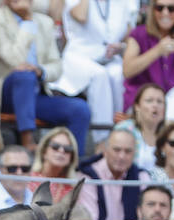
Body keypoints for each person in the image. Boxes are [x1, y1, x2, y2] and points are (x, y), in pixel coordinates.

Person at [0, 0, 91, 155]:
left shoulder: (45, 22)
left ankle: (74, 166)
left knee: (80, 109)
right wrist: (27, 21)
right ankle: (27, 140)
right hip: (6, 94)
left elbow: (57, 66)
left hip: (36, 94)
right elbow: (16, 60)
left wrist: (41, 71)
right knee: (24, 75)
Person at [54, 0, 132, 143]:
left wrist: (120, 46)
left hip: (109, 58)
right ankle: (101, 140)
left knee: (118, 75)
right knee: (99, 76)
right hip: (79, 57)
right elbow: (80, 16)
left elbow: (127, 32)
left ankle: (122, 132)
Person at [120, 0, 174, 117]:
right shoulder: (138, 34)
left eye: (171, 9)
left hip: (171, 101)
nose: (165, 13)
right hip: (143, 100)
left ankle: (167, 123)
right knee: (159, 103)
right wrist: (157, 51)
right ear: (153, 11)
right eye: (160, 8)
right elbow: (127, 71)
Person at [116, 84, 167, 173]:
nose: (155, 105)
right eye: (149, 101)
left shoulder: (170, 134)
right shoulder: (124, 130)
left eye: (159, 102)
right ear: (137, 107)